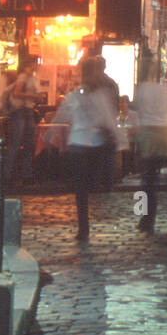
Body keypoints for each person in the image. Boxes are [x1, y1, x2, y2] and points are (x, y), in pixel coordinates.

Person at [57, 57, 119, 241]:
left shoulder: (75, 95)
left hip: (78, 144)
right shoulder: (102, 93)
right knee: (88, 185)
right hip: (94, 145)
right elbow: (109, 118)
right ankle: (103, 188)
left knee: (81, 189)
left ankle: (83, 226)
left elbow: (61, 116)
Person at [133, 54, 167, 235]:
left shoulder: (140, 90)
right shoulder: (166, 90)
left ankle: (144, 219)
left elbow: (139, 112)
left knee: (146, 181)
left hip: (149, 134)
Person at [0, 53, 42, 187]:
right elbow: (17, 93)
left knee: (25, 143)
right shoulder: (23, 77)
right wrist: (33, 96)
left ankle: (20, 174)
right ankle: (10, 175)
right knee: (18, 143)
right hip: (21, 111)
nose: (37, 65)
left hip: (27, 111)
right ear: (30, 64)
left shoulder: (31, 78)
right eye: (35, 62)